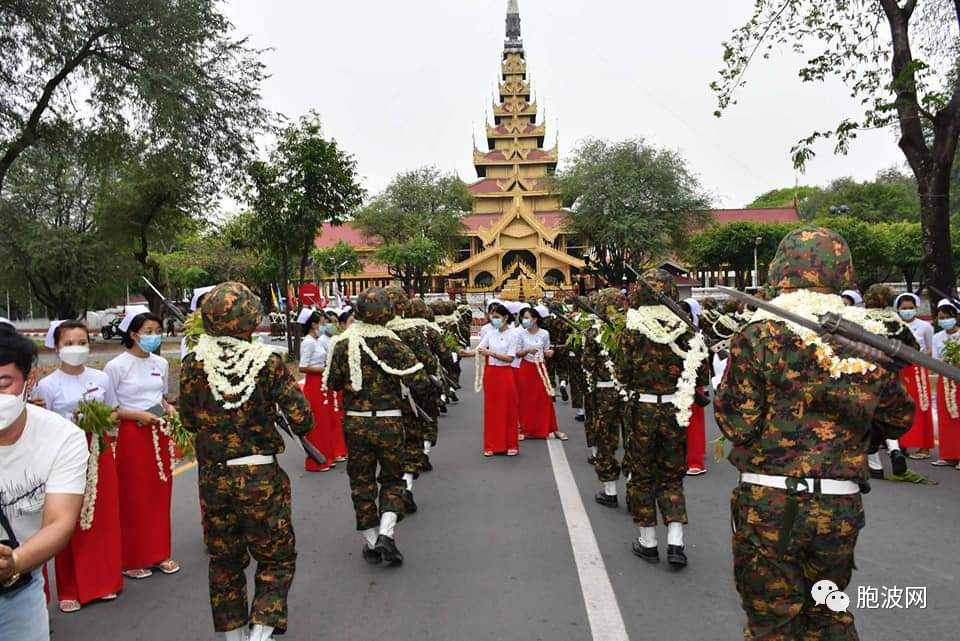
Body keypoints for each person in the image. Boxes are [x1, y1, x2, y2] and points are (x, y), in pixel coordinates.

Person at [714, 227, 914, 640]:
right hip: (839, 507)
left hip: (772, 502)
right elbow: (898, 419)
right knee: (828, 615)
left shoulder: (760, 333)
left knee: (774, 622)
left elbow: (738, 423)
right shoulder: (866, 341)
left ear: (781, 268)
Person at [180, 282, 313, 641]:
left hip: (213, 478)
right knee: (276, 558)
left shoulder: (193, 363)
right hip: (259, 475)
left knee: (224, 563)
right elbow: (303, 420)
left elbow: (188, 421)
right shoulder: (267, 362)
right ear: (251, 319)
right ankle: (260, 634)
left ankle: (234, 637)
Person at [325, 288, 433, 566]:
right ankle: (387, 533)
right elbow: (419, 380)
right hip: (389, 420)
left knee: (361, 482)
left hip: (356, 422)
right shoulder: (392, 343)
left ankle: (371, 541)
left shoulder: (342, 342)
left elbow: (333, 382)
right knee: (392, 479)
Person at [615, 270, 710, 568]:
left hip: (642, 409)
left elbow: (621, 373)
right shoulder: (686, 328)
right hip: (675, 409)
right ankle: (676, 542)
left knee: (643, 476)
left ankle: (648, 541)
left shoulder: (633, 329)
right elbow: (701, 372)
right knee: (671, 475)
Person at [0, 325, 88, 641]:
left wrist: (15, 562)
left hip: (17, 587)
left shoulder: (64, 439)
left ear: (29, 382)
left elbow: (59, 523)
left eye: (2, 383)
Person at [32, 321, 122, 613]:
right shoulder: (47, 385)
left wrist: (100, 420)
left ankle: (105, 581)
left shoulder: (101, 377)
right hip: (65, 454)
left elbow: (113, 413)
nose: (76, 348)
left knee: (102, 516)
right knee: (68, 519)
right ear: (56, 347)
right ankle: (70, 588)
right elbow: (42, 424)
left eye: (81, 341)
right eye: (69, 343)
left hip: (98, 449)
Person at [103, 306, 180, 579]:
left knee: (161, 493)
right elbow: (111, 410)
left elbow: (161, 398)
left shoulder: (160, 364)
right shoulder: (115, 367)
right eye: (148, 332)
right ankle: (134, 558)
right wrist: (136, 415)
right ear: (133, 334)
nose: (154, 336)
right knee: (134, 496)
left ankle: (161, 553)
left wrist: (167, 409)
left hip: (159, 433)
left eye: (158, 332)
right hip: (133, 434)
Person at [383, 288, 437, 514]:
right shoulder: (411, 332)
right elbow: (427, 362)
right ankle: (406, 485)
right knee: (411, 445)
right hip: (410, 397)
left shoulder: (362, 336)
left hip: (379, 405)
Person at [582, 289, 627, 507]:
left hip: (603, 392)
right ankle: (634, 489)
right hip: (629, 393)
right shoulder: (633, 329)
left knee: (606, 441)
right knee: (632, 441)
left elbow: (588, 363)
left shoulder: (592, 332)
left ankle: (610, 490)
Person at [461, 302, 521, 457]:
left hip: (505, 373)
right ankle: (493, 444)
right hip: (491, 375)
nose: (493, 319)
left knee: (508, 409)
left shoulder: (514, 334)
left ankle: (510, 444)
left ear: (505, 317)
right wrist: (465, 353)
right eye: (492, 317)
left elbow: (509, 358)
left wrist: (491, 354)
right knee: (492, 410)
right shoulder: (490, 333)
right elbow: (480, 349)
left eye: (496, 317)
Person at [894, 293, 935, 460]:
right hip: (900, 368)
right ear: (898, 310)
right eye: (904, 308)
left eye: (910, 308)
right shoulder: (895, 325)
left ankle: (924, 446)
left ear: (916, 308)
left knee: (921, 406)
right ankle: (902, 443)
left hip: (918, 370)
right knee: (900, 406)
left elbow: (931, 350)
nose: (907, 311)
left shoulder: (925, 326)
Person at [516, 306, 565, 440]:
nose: (524, 320)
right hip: (526, 368)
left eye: (526, 317)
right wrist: (527, 350)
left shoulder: (544, 333)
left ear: (535, 319)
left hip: (541, 368)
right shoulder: (520, 334)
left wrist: (549, 353)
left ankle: (551, 428)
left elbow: (546, 350)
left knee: (545, 398)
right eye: (522, 318)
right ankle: (525, 429)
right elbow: (517, 353)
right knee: (525, 399)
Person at [298, 309, 336, 472]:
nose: (325, 325)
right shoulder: (308, 342)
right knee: (317, 422)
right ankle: (316, 460)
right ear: (313, 325)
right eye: (322, 323)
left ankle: (326, 456)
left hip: (321, 382)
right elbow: (303, 367)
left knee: (324, 421)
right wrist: (324, 370)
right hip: (314, 384)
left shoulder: (316, 340)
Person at [680, 298, 708, 477]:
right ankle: (695, 462)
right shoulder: (694, 333)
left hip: (672, 384)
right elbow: (702, 363)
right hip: (691, 383)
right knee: (694, 425)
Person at [931, 299, 960, 469]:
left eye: (947, 317)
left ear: (955, 317)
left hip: (958, 380)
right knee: (945, 418)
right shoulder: (937, 337)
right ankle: (948, 454)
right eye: (941, 318)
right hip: (944, 380)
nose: (944, 320)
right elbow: (935, 360)